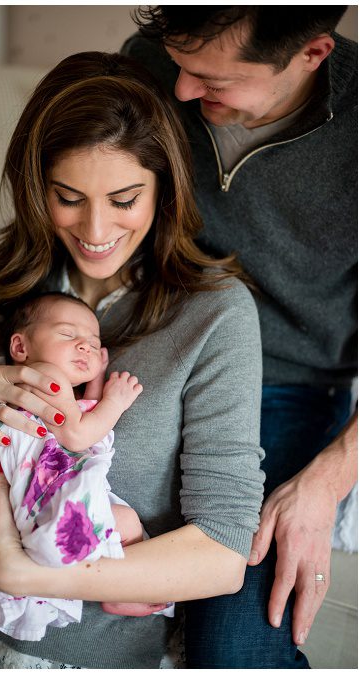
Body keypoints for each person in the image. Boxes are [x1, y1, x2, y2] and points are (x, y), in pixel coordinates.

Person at [0, 51, 265, 668]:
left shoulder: (215, 315)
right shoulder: (1, 300)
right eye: (68, 197)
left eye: (125, 198)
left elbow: (222, 553)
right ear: (36, 188)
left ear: (164, 187)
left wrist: (25, 576)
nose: (95, 228)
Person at [121, 6, 357, 666]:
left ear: (312, 54)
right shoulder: (148, 62)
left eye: (213, 79)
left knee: (233, 650)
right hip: (157, 351)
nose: (182, 92)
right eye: (180, 65)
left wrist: (329, 480)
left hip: (287, 386)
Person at [0, 291, 170, 642]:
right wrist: (115, 401)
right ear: (21, 347)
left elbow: (75, 407)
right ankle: (122, 587)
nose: (85, 346)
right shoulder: (41, 376)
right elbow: (76, 433)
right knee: (126, 522)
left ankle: (109, 585)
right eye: (68, 335)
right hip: (28, 485)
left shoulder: (19, 381)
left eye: (93, 342)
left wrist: (96, 377)